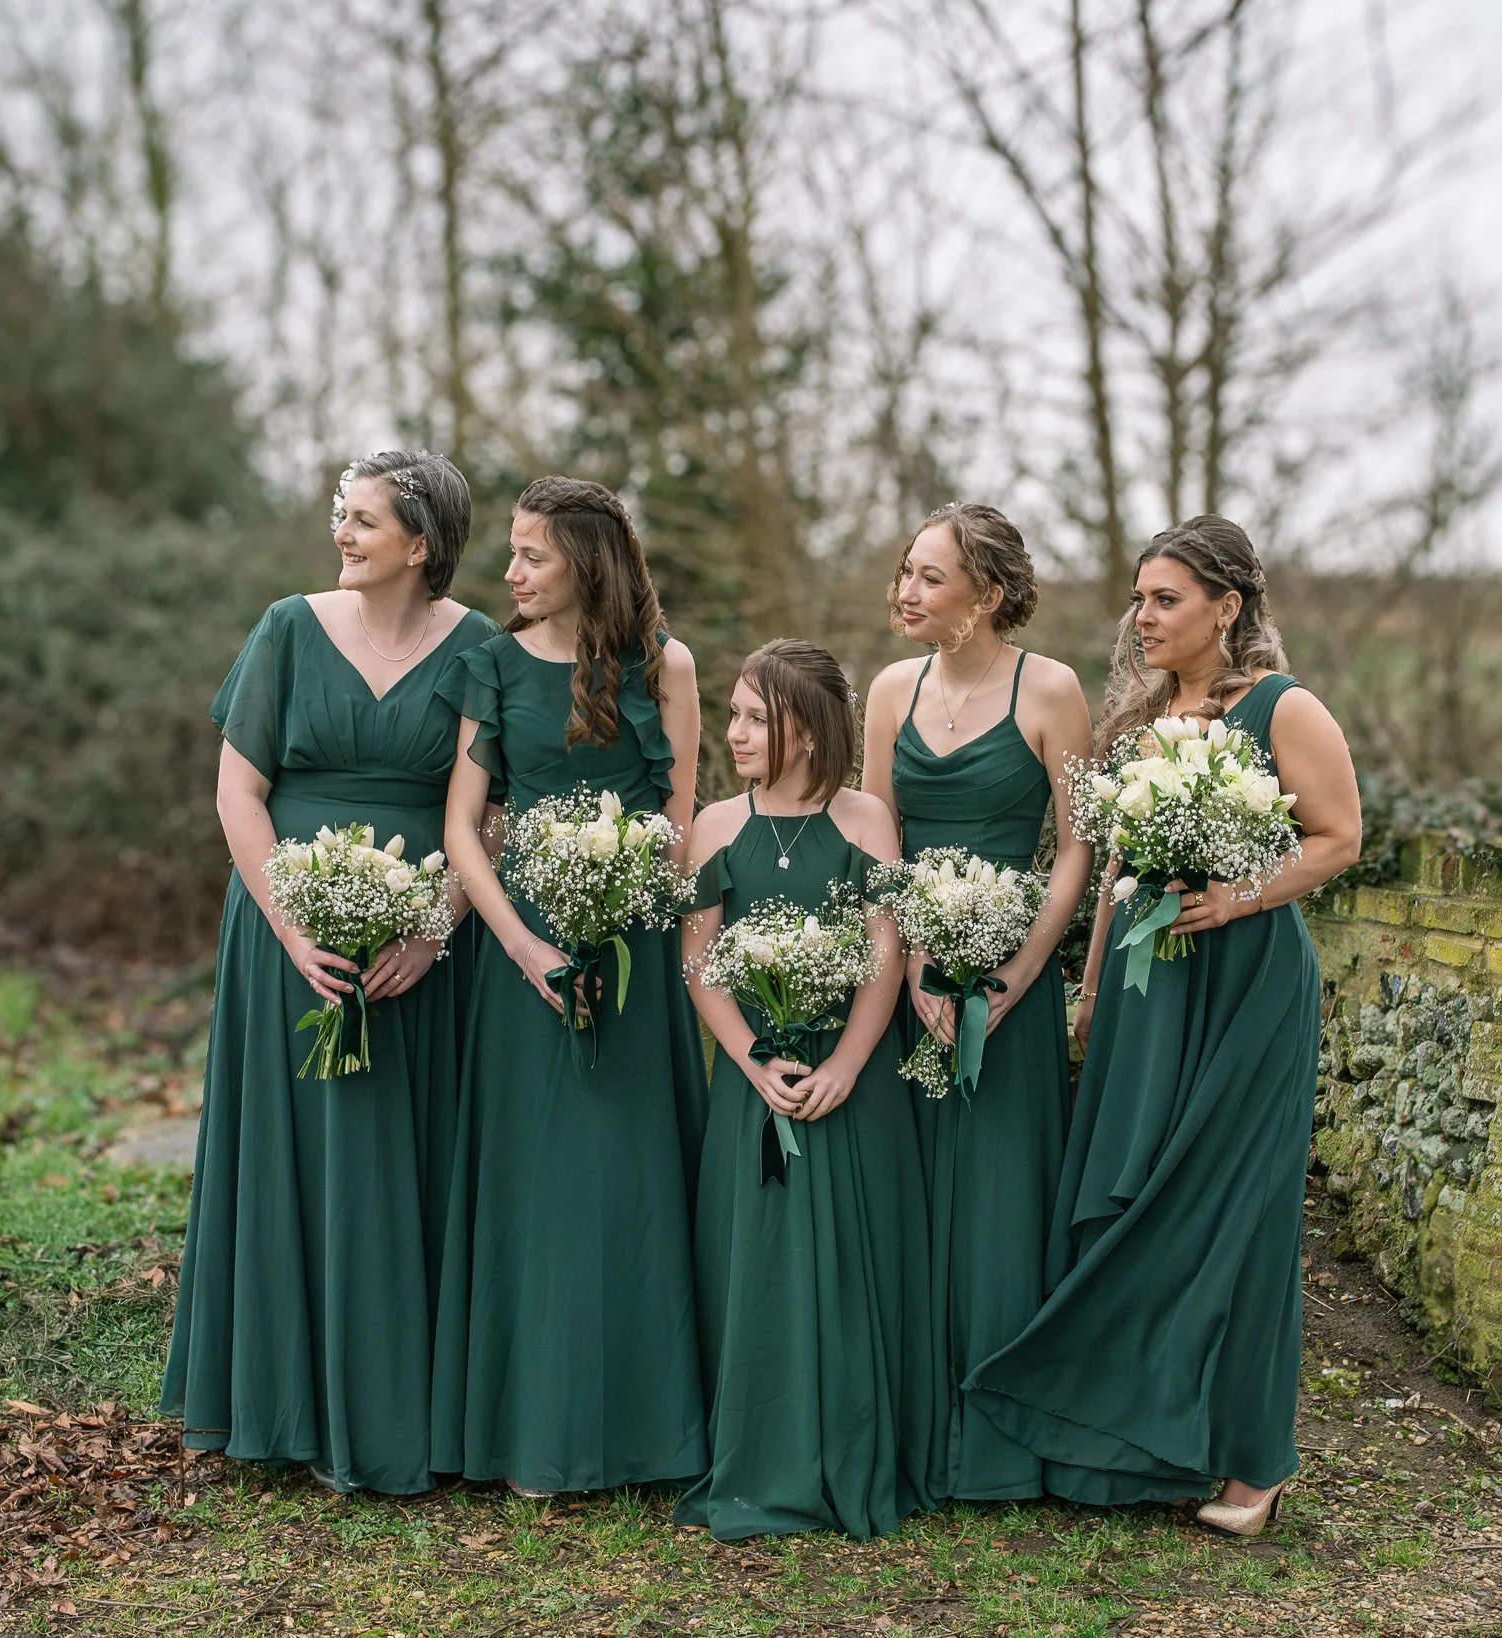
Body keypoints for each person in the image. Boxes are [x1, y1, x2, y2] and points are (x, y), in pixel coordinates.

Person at [964, 515, 1362, 1536]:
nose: (1140, 617)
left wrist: (1237, 896)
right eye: (1138, 598)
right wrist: (1088, 987)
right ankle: (1128, 1449)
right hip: (1146, 987)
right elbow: (1110, 872)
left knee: (1232, 1212)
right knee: (1127, 1199)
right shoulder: (1137, 723)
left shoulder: (1283, 708)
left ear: (1225, 608)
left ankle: (1252, 1463)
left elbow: (1337, 838)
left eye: (1163, 599)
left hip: (1242, 985)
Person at [161, 450, 496, 1496]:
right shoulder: (287, 629)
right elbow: (237, 794)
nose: (342, 535)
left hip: (421, 945)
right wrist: (292, 925)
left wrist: (434, 928)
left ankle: (411, 1412)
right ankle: (282, 1405)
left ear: (421, 543)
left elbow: (495, 809)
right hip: (286, 934)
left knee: (408, 1159)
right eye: (340, 516)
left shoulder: (481, 647)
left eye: (362, 521)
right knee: (295, 1156)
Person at [429, 476, 707, 1496]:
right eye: (509, 552)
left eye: (530, 555)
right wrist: (525, 948)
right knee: (536, 1190)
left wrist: (626, 904)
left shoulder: (663, 666)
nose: (508, 573)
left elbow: (677, 824)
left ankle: (648, 1435)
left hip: (632, 953)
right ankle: (528, 1432)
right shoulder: (489, 666)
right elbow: (464, 826)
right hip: (522, 959)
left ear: (584, 563)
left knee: (629, 1188)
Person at [674, 640, 936, 1540]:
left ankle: (849, 1447)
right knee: (757, 1267)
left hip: (851, 1081)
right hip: (755, 1084)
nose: (736, 731)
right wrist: (752, 1059)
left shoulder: (867, 820)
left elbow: (885, 954)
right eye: (735, 713)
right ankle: (756, 1448)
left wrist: (847, 1066)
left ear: (810, 730)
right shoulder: (713, 824)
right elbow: (699, 963)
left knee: (851, 1266)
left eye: (755, 716)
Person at [860, 503, 1093, 1502]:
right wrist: (910, 961)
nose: (901, 592)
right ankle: (911, 1431)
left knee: (1001, 1196)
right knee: (906, 1193)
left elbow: (1079, 845)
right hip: (908, 979)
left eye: (925, 577)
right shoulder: (884, 690)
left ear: (986, 595)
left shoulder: (1052, 690)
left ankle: (997, 1442)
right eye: (903, 572)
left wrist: (1019, 975)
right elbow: (875, 837)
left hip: (1013, 976)